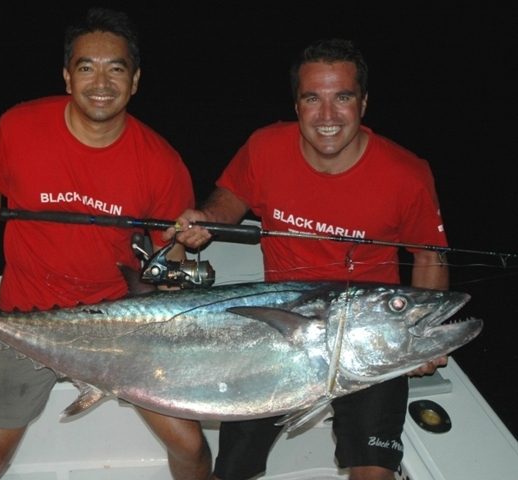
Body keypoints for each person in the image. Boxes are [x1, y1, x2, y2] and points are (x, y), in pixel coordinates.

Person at [170, 38, 449, 480]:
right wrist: (208, 218)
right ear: (297, 105)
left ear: (363, 102)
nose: (327, 116)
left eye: (342, 97)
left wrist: (426, 336)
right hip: (279, 331)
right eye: (312, 98)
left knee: (374, 473)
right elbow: (233, 197)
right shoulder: (265, 147)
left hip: (367, 333)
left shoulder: (406, 174)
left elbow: (427, 255)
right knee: (232, 470)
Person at [0, 8, 211, 479]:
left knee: (192, 448)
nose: (101, 81)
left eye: (116, 68)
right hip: (25, 316)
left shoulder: (161, 163)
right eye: (86, 67)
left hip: (117, 326)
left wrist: (182, 246)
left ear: (134, 81)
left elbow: (166, 260)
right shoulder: (20, 127)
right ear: (67, 76)